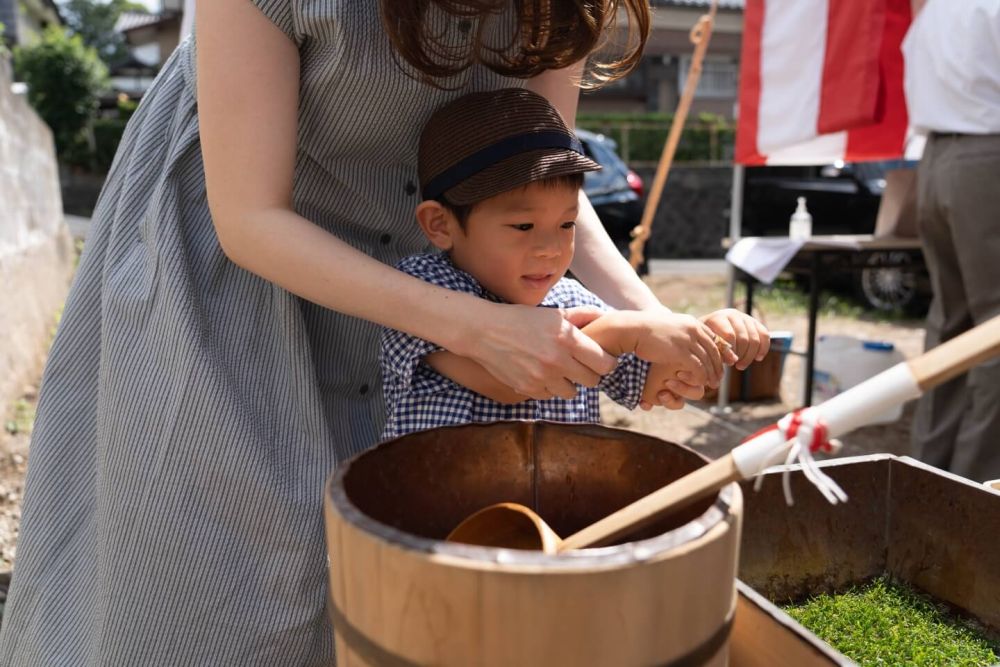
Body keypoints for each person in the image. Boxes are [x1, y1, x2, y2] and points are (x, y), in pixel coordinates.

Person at [0, 1, 764, 663]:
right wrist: (480, 328)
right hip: (243, 259)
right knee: (223, 583)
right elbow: (251, 218)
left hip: (445, 254)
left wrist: (654, 322)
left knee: (404, 583)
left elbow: (538, 183)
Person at [381, 88, 770, 439]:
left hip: (558, 502)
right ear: (440, 224)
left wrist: (705, 339)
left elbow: (652, 377)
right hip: (449, 509)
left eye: (567, 223)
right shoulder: (426, 291)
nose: (551, 248)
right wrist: (621, 331)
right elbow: (509, 382)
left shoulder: (569, 297)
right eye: (523, 225)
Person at [903, 0, 1000, 482]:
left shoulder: (934, 12)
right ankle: (979, 483)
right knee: (995, 329)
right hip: (987, 153)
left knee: (950, 325)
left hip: (936, 162)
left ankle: (929, 472)